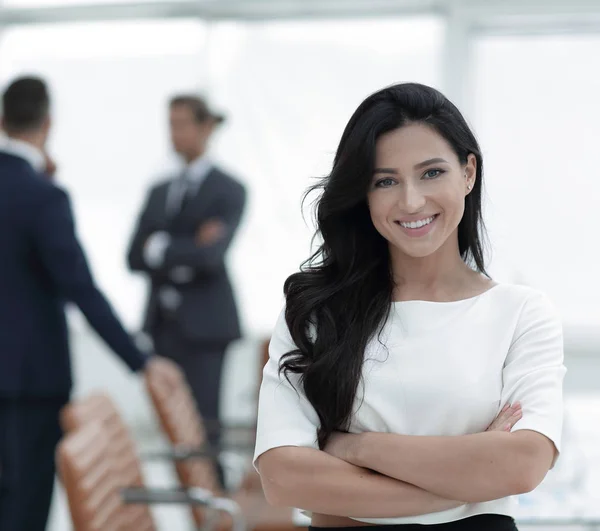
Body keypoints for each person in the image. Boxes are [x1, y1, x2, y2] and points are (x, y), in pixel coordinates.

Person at [253, 83, 566, 530]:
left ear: (468, 172)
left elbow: (522, 465)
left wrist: (356, 448)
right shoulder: (315, 311)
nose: (412, 201)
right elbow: (283, 479)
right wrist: (470, 480)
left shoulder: (520, 312)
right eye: (385, 181)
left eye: (432, 173)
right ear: (364, 194)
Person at [0, 76, 180, 531]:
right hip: (30, 381)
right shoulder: (43, 196)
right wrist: (139, 360)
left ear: (2, 121)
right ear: (48, 123)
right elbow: (80, 287)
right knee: (24, 504)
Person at [127, 95, 246, 455]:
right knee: (171, 429)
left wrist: (160, 247)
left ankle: (215, 503)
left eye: (181, 124)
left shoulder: (229, 189)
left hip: (207, 327)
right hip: (162, 326)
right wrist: (187, 246)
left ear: (206, 127)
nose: (174, 133)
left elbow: (210, 257)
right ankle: (190, 503)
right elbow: (133, 257)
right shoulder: (158, 190)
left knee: (204, 426)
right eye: (170, 124)